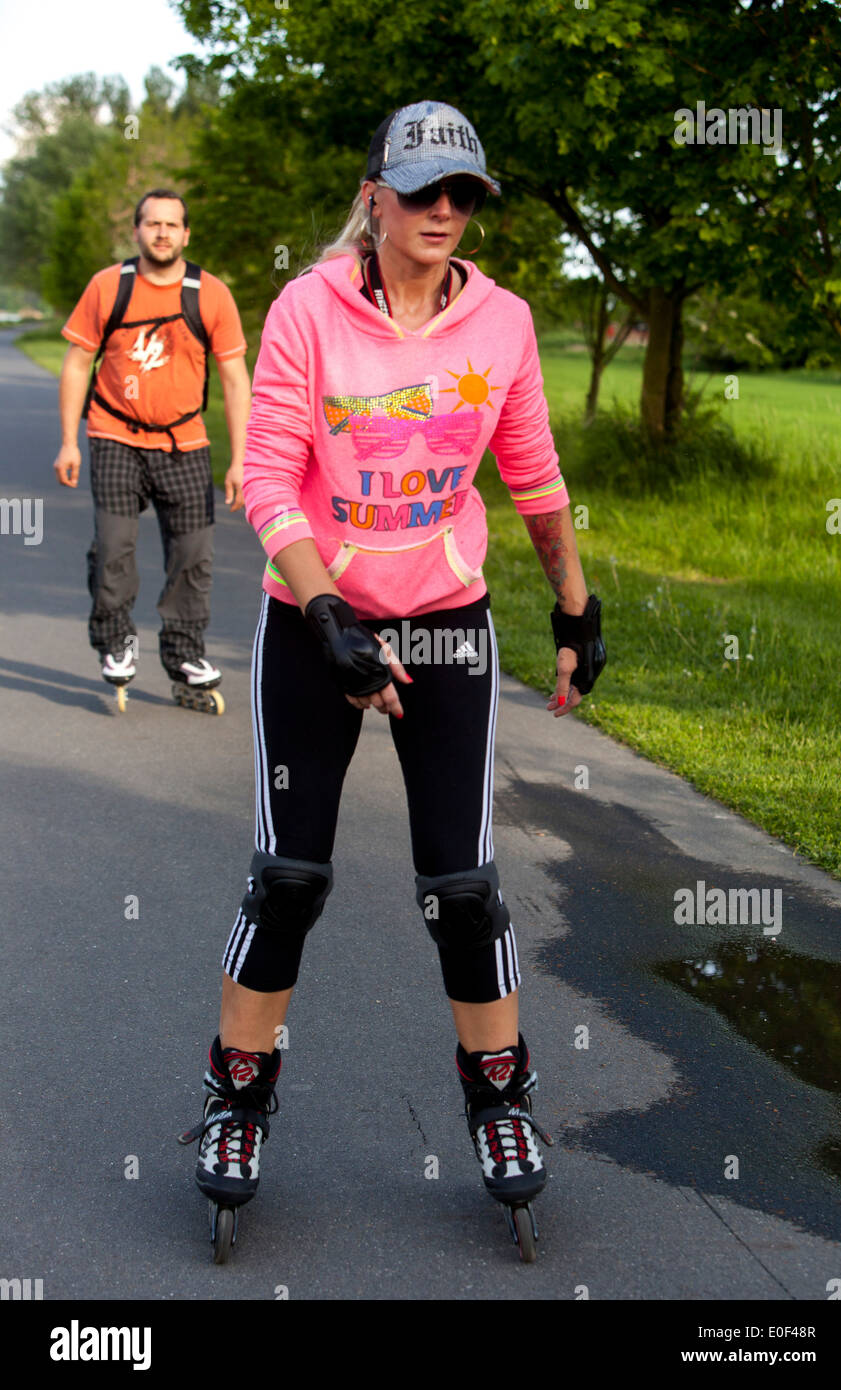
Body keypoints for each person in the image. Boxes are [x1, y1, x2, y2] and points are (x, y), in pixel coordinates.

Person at [180, 101, 605, 1254]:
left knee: (462, 886)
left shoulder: (503, 320)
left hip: (446, 625)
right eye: (421, 191)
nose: (442, 212)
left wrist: (574, 605)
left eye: (462, 194)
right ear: (373, 195)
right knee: (289, 877)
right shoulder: (305, 309)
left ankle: (501, 1107)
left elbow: (532, 477)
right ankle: (235, 1105)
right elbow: (265, 474)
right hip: (313, 621)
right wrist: (323, 607)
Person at [53, 189, 251, 701]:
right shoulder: (108, 286)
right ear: (137, 230)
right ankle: (116, 640)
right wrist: (67, 442)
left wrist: (241, 459)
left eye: (172, 224)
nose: (162, 232)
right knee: (114, 548)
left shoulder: (210, 294)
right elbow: (77, 363)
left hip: (185, 443)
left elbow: (234, 378)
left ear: (187, 234)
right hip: (113, 433)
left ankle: (184, 654)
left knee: (193, 555)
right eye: (152, 223)